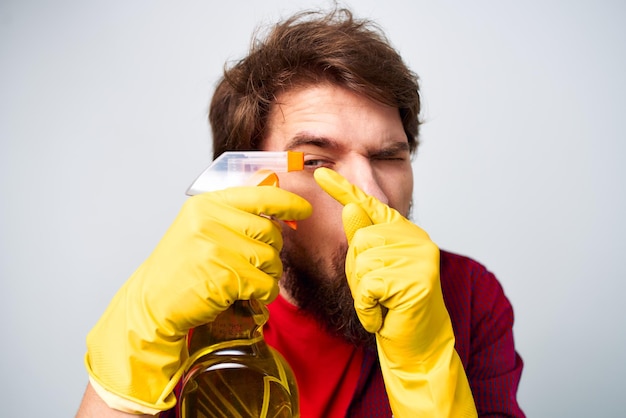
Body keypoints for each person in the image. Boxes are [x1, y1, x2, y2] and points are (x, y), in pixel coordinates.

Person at [76, 8, 524, 418]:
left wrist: (427, 361)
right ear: (248, 180)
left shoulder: (467, 298)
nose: (372, 195)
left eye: (389, 156)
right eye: (315, 161)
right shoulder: (179, 308)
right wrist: (129, 362)